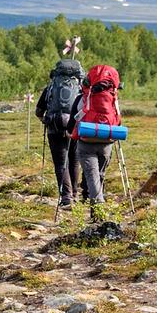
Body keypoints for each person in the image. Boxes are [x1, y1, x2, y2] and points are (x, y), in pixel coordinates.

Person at [66, 64, 122, 218]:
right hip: (107, 142)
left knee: (92, 176)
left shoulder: (82, 98)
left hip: (86, 142)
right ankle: (96, 212)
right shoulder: (113, 98)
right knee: (100, 175)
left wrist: (69, 132)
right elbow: (118, 120)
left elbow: (72, 122)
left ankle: (98, 212)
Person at [35, 59, 84, 210]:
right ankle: (75, 194)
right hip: (75, 128)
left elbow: (38, 111)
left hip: (54, 127)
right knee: (74, 161)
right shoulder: (81, 88)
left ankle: (66, 198)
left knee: (61, 164)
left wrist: (45, 120)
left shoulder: (50, 87)